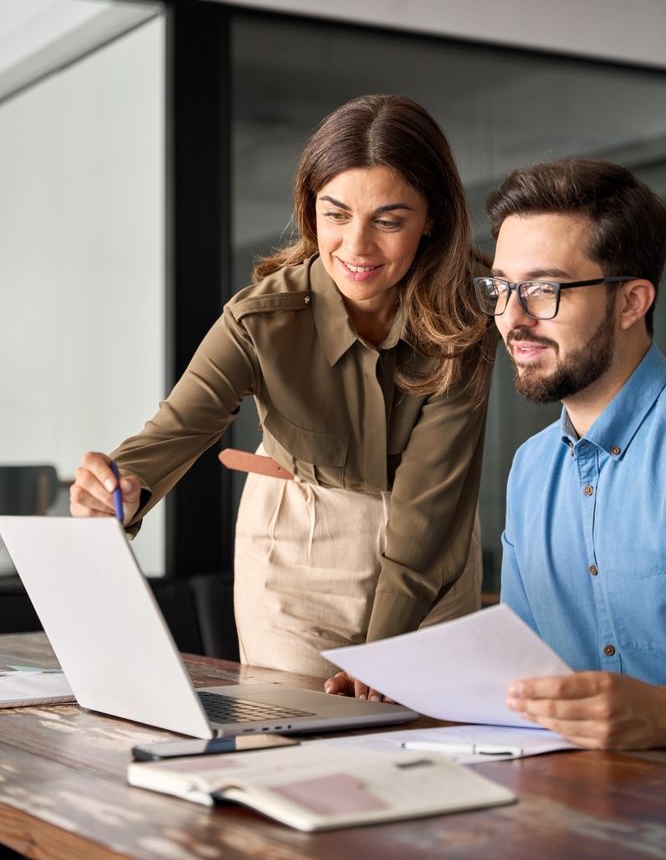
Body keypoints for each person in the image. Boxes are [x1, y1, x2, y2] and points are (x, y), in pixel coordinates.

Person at [71, 94, 494, 689]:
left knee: (431, 754)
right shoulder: (261, 319)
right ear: (309, 208)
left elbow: (431, 500)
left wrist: (386, 649)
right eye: (335, 214)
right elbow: (177, 429)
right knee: (295, 748)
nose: (356, 247)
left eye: (389, 221)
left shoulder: (464, 317)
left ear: (434, 219)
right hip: (298, 552)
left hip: (433, 555)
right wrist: (119, 486)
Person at [473, 157, 666, 750]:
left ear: (632, 302)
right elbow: (522, 672)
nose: (513, 318)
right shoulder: (531, 470)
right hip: (567, 801)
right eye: (502, 288)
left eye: (543, 289)